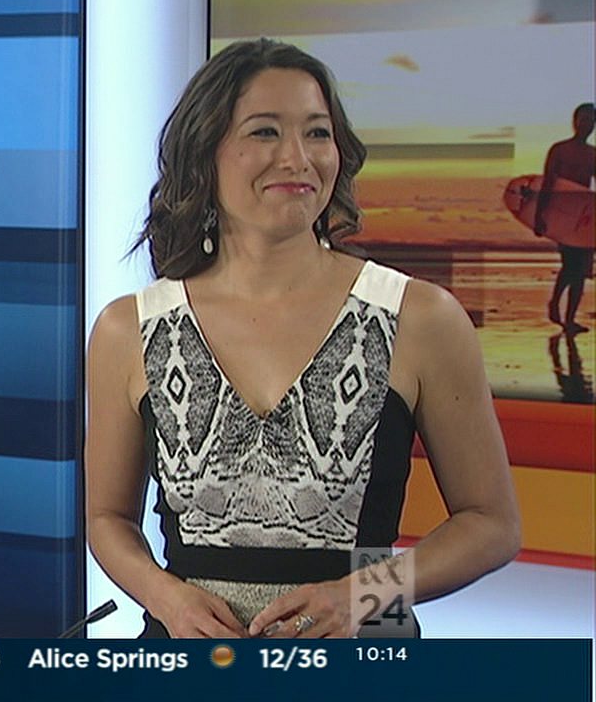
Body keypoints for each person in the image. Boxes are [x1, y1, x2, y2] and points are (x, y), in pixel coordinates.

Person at [85, 39, 521, 638]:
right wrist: (166, 598)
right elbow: (108, 519)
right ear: (203, 152)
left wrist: (365, 594)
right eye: (265, 132)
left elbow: (492, 523)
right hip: (193, 659)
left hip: (364, 656)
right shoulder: (128, 329)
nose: (297, 157)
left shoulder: (420, 317)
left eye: (317, 133)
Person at [537, 103, 594, 335]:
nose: (587, 124)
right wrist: (539, 215)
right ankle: (555, 304)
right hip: (562, 216)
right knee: (571, 265)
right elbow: (547, 183)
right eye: (584, 119)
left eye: (592, 121)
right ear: (574, 121)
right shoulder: (559, 150)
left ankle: (570, 319)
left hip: (584, 219)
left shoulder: (593, 154)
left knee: (581, 271)